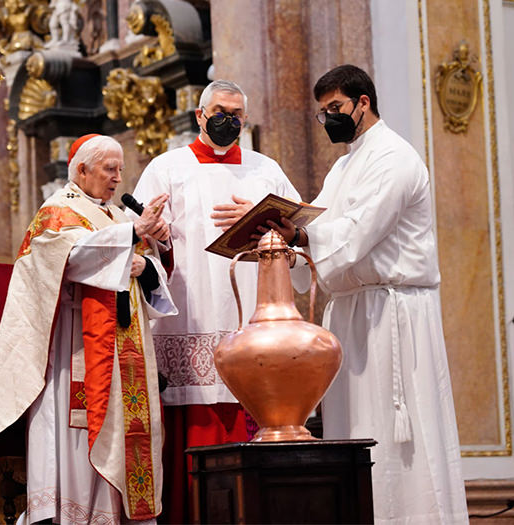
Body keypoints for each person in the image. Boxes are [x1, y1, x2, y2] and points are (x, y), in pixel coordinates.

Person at [0, 134, 177, 523]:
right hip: (74, 350)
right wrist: (132, 240)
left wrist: (149, 263)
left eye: (121, 170)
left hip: (125, 353)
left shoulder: (117, 216)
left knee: (123, 439)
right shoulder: (58, 211)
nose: (118, 179)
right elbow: (71, 259)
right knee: (77, 440)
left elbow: (143, 267)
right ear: (82, 170)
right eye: (110, 169)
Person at [274, 64, 468, 524]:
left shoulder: (394, 157)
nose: (329, 120)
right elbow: (321, 227)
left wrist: (302, 240)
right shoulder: (345, 166)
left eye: (336, 108)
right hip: (351, 313)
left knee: (398, 436)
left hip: (392, 313)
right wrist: (282, 240)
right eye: (323, 113)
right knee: (353, 430)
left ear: (363, 103)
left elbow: (358, 232)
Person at [131, 79, 300, 522]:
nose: (230, 121)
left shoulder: (267, 170)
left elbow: (298, 239)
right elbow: (139, 246)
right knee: (194, 434)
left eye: (237, 114)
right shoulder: (165, 168)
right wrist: (157, 239)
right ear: (200, 116)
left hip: (257, 318)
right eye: (220, 112)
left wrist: (277, 227)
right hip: (192, 312)